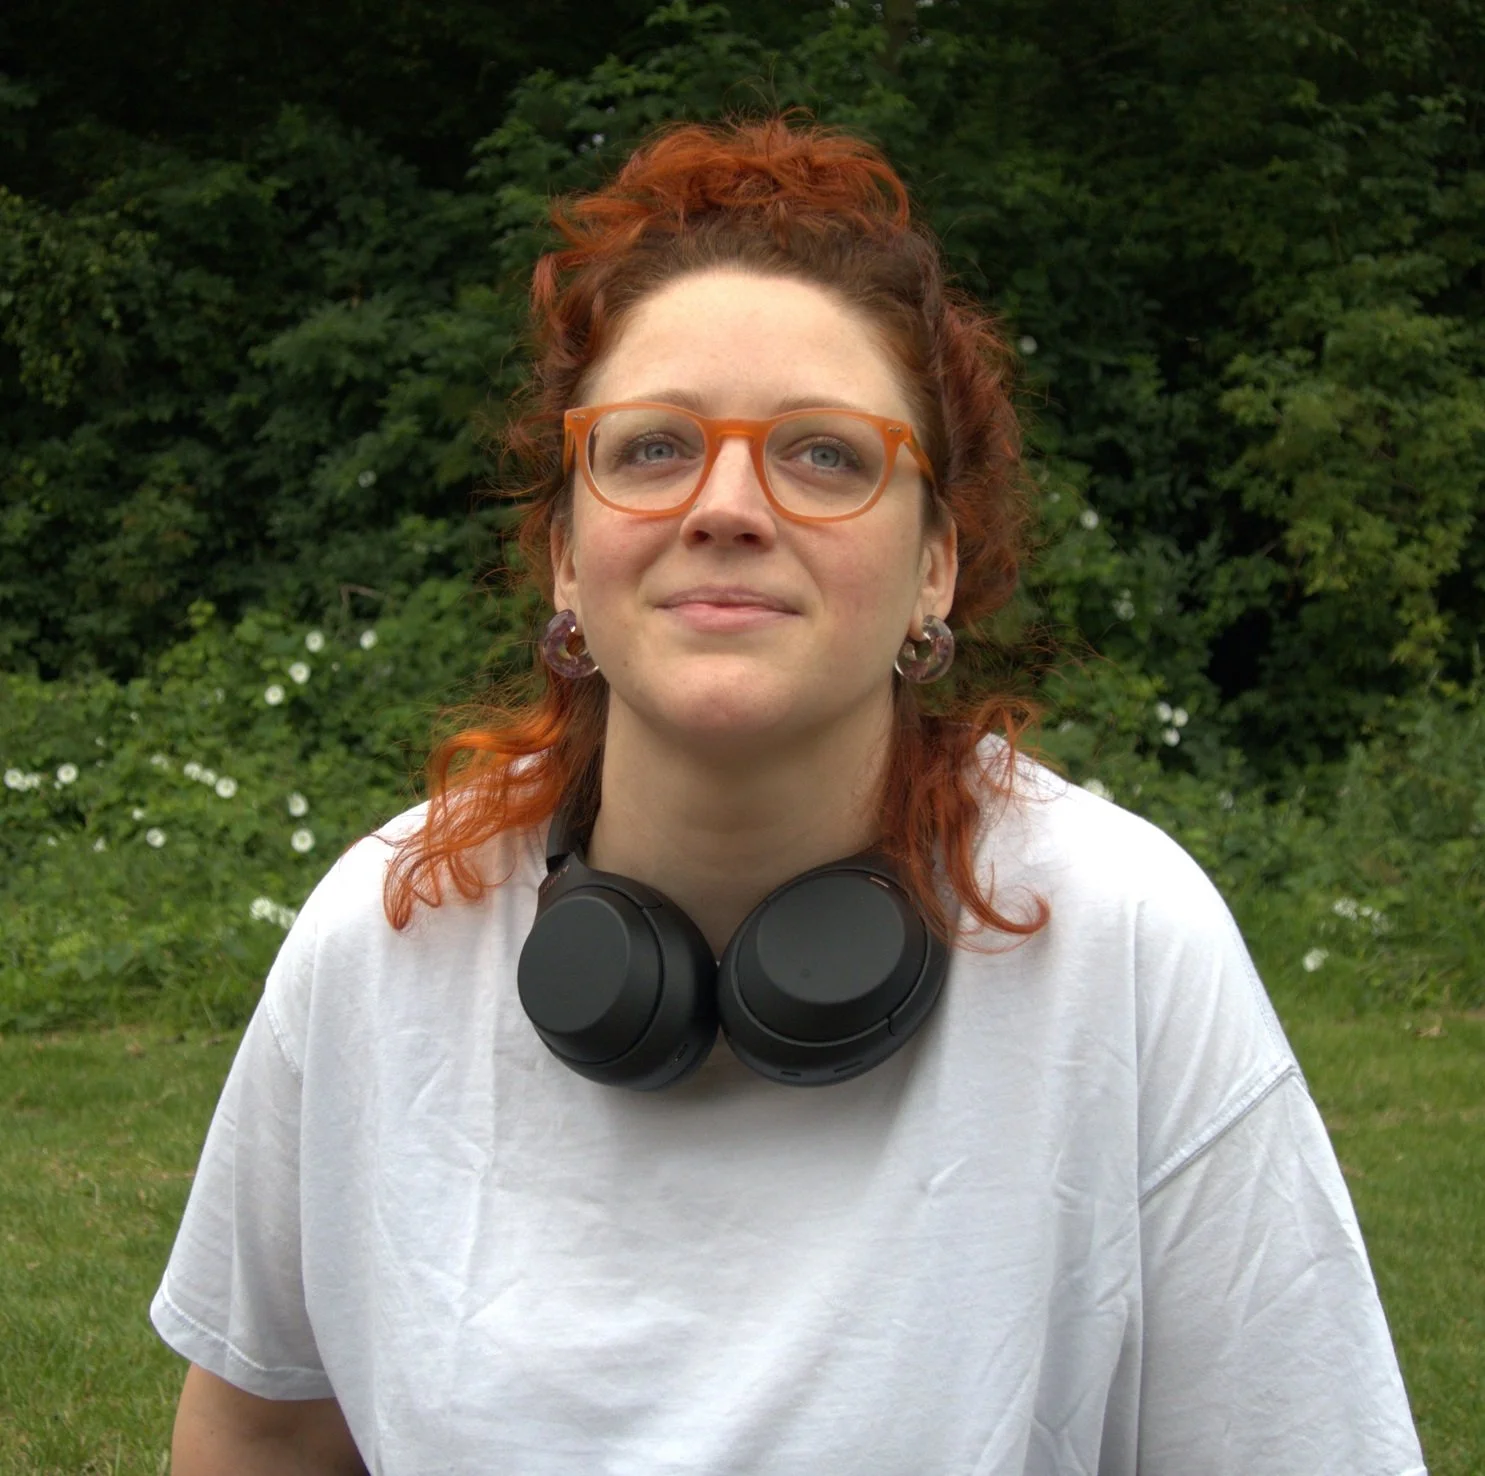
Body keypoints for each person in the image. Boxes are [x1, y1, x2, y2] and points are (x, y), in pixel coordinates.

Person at [152, 118, 1427, 1476]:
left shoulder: (1117, 944)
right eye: (651, 450)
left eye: (824, 454)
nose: (728, 504)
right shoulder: (386, 936)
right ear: (565, 562)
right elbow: (267, 1429)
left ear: (936, 565)